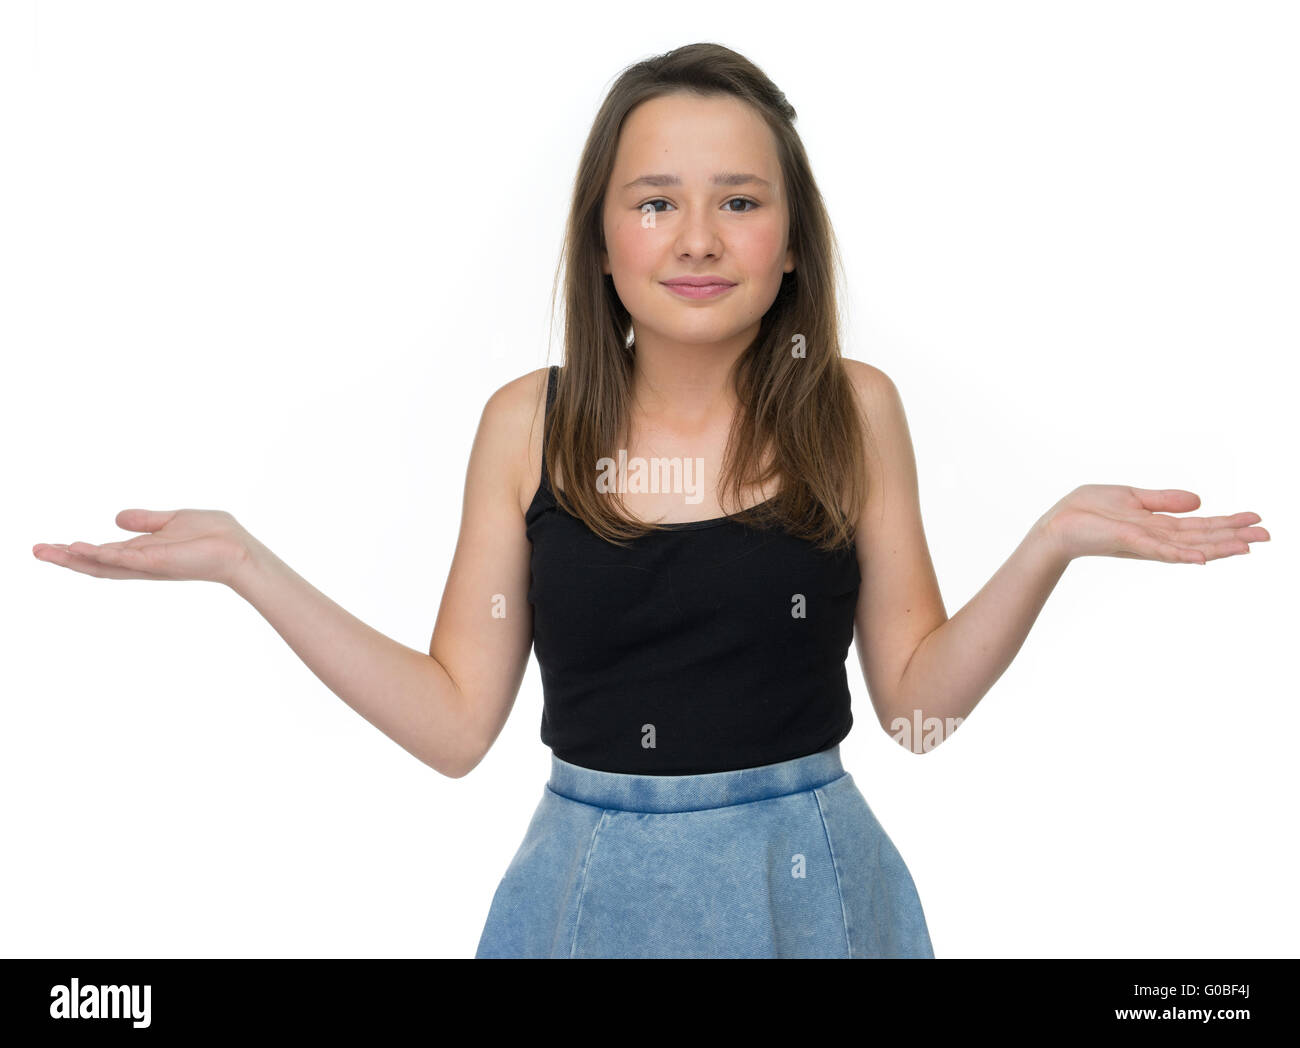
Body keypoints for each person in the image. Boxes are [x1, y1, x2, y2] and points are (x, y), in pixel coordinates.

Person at [31, 42, 1268, 959]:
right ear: (604, 238)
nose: (696, 236)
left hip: (815, 896)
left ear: (790, 245)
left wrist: (1051, 542)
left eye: (739, 200)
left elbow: (915, 709)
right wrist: (251, 564)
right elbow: (458, 724)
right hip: (589, 891)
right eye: (654, 200)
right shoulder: (529, 421)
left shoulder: (854, 405)